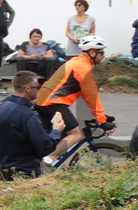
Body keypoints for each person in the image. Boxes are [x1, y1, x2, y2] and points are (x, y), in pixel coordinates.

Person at [35, 35, 111, 165]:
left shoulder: (77, 62)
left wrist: (102, 117)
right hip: (52, 103)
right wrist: (102, 121)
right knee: (77, 134)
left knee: (53, 135)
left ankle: (38, 161)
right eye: (102, 53)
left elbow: (86, 95)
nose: (103, 56)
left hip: (43, 100)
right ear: (92, 53)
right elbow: (92, 97)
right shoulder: (84, 68)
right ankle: (48, 160)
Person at [0, 70, 64, 179]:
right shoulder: (29, 115)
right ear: (28, 89)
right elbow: (44, 147)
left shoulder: (2, 108)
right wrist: (56, 130)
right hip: (24, 171)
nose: (38, 90)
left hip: (2, 168)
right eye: (36, 87)